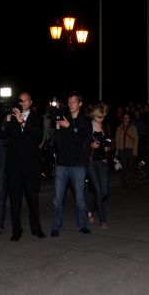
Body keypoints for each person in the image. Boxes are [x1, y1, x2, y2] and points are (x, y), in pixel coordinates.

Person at [0, 92, 45, 242]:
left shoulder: (36, 117)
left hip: (31, 165)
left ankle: (36, 228)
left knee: (33, 198)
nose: (22, 103)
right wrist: (7, 119)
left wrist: (22, 121)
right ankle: (16, 230)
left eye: (25, 101)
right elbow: (2, 135)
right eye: (20, 101)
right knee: (15, 199)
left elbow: (38, 135)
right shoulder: (11, 117)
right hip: (15, 165)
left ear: (30, 102)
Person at [51, 92, 93, 237]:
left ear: (80, 103)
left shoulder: (85, 121)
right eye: (69, 102)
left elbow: (80, 139)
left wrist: (69, 127)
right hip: (62, 164)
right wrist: (58, 128)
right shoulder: (64, 118)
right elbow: (57, 142)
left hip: (78, 165)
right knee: (58, 199)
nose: (70, 105)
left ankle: (82, 225)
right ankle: (55, 226)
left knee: (80, 199)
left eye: (73, 102)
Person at [86, 105, 113, 229]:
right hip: (91, 162)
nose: (100, 120)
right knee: (98, 191)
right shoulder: (87, 126)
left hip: (103, 161)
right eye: (98, 117)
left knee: (104, 192)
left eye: (102, 117)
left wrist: (107, 148)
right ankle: (103, 219)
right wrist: (91, 144)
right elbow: (80, 143)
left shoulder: (105, 127)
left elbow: (108, 141)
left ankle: (90, 209)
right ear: (94, 115)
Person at [115, 113, 139, 188]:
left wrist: (135, 151)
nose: (125, 119)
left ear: (129, 119)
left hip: (130, 150)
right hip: (122, 150)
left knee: (131, 167)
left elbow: (136, 140)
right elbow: (117, 139)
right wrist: (117, 150)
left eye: (127, 117)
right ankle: (124, 183)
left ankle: (132, 182)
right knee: (124, 167)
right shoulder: (119, 128)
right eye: (124, 117)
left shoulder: (133, 127)